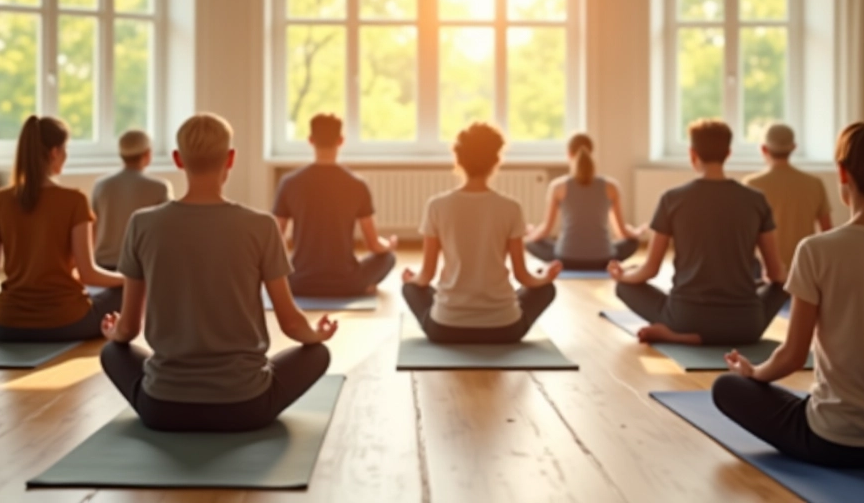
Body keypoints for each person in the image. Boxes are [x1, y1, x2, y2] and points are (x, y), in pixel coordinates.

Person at [712, 122, 864, 469]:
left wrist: (753, 374)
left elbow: (793, 357)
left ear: (843, 172)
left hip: (836, 441)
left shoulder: (815, 251)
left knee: (726, 388)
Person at [99, 113, 337, 433]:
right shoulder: (261, 226)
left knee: (111, 350)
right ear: (231, 159)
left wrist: (115, 334)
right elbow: (291, 323)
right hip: (246, 407)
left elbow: (128, 329)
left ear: (178, 159)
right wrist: (316, 335)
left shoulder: (141, 224)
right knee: (317, 355)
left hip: (163, 409)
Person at [608, 119, 788, 345]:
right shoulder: (756, 200)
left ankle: (681, 335)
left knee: (624, 287)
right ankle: (704, 335)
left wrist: (623, 276)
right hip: (745, 325)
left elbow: (650, 269)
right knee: (784, 286)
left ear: (692, 154)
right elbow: (774, 274)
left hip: (684, 317)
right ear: (728, 153)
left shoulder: (671, 199)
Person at [401, 122, 561, 344]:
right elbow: (522, 276)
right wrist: (545, 278)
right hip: (505, 329)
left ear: (458, 159)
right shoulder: (511, 208)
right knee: (547, 290)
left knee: (410, 288)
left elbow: (426, 275)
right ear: (496, 161)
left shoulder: (436, 206)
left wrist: (411, 278)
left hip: (446, 329)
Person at [0, 116, 123, 342]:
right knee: (127, 289)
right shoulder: (74, 200)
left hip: (7, 325)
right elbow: (88, 273)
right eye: (65, 149)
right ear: (55, 152)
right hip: (69, 322)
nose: (66, 155)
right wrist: (132, 279)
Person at [273, 114, 396, 297]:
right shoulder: (357, 184)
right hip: (347, 283)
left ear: (310, 140)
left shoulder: (289, 182)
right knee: (389, 258)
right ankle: (364, 286)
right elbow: (373, 245)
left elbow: (275, 237)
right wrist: (388, 245)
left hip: (298, 283)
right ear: (341, 141)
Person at [525, 133, 643, 270]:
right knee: (633, 243)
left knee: (530, 243)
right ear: (592, 152)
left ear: (569, 154)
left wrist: (531, 235)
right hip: (604, 259)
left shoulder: (557, 187)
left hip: (566, 259)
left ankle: (554, 263)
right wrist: (636, 233)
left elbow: (546, 230)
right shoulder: (611, 186)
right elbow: (621, 232)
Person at [744, 124, 832, 274]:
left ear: (764, 149)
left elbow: (745, 234)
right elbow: (827, 233)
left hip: (767, 271)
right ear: (794, 148)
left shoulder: (752, 184)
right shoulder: (814, 183)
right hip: (805, 269)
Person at [91, 130, 173, 270]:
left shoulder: (101, 185)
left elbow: (92, 228)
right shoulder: (160, 188)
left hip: (104, 265)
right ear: (147, 154)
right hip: (141, 266)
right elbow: (167, 233)